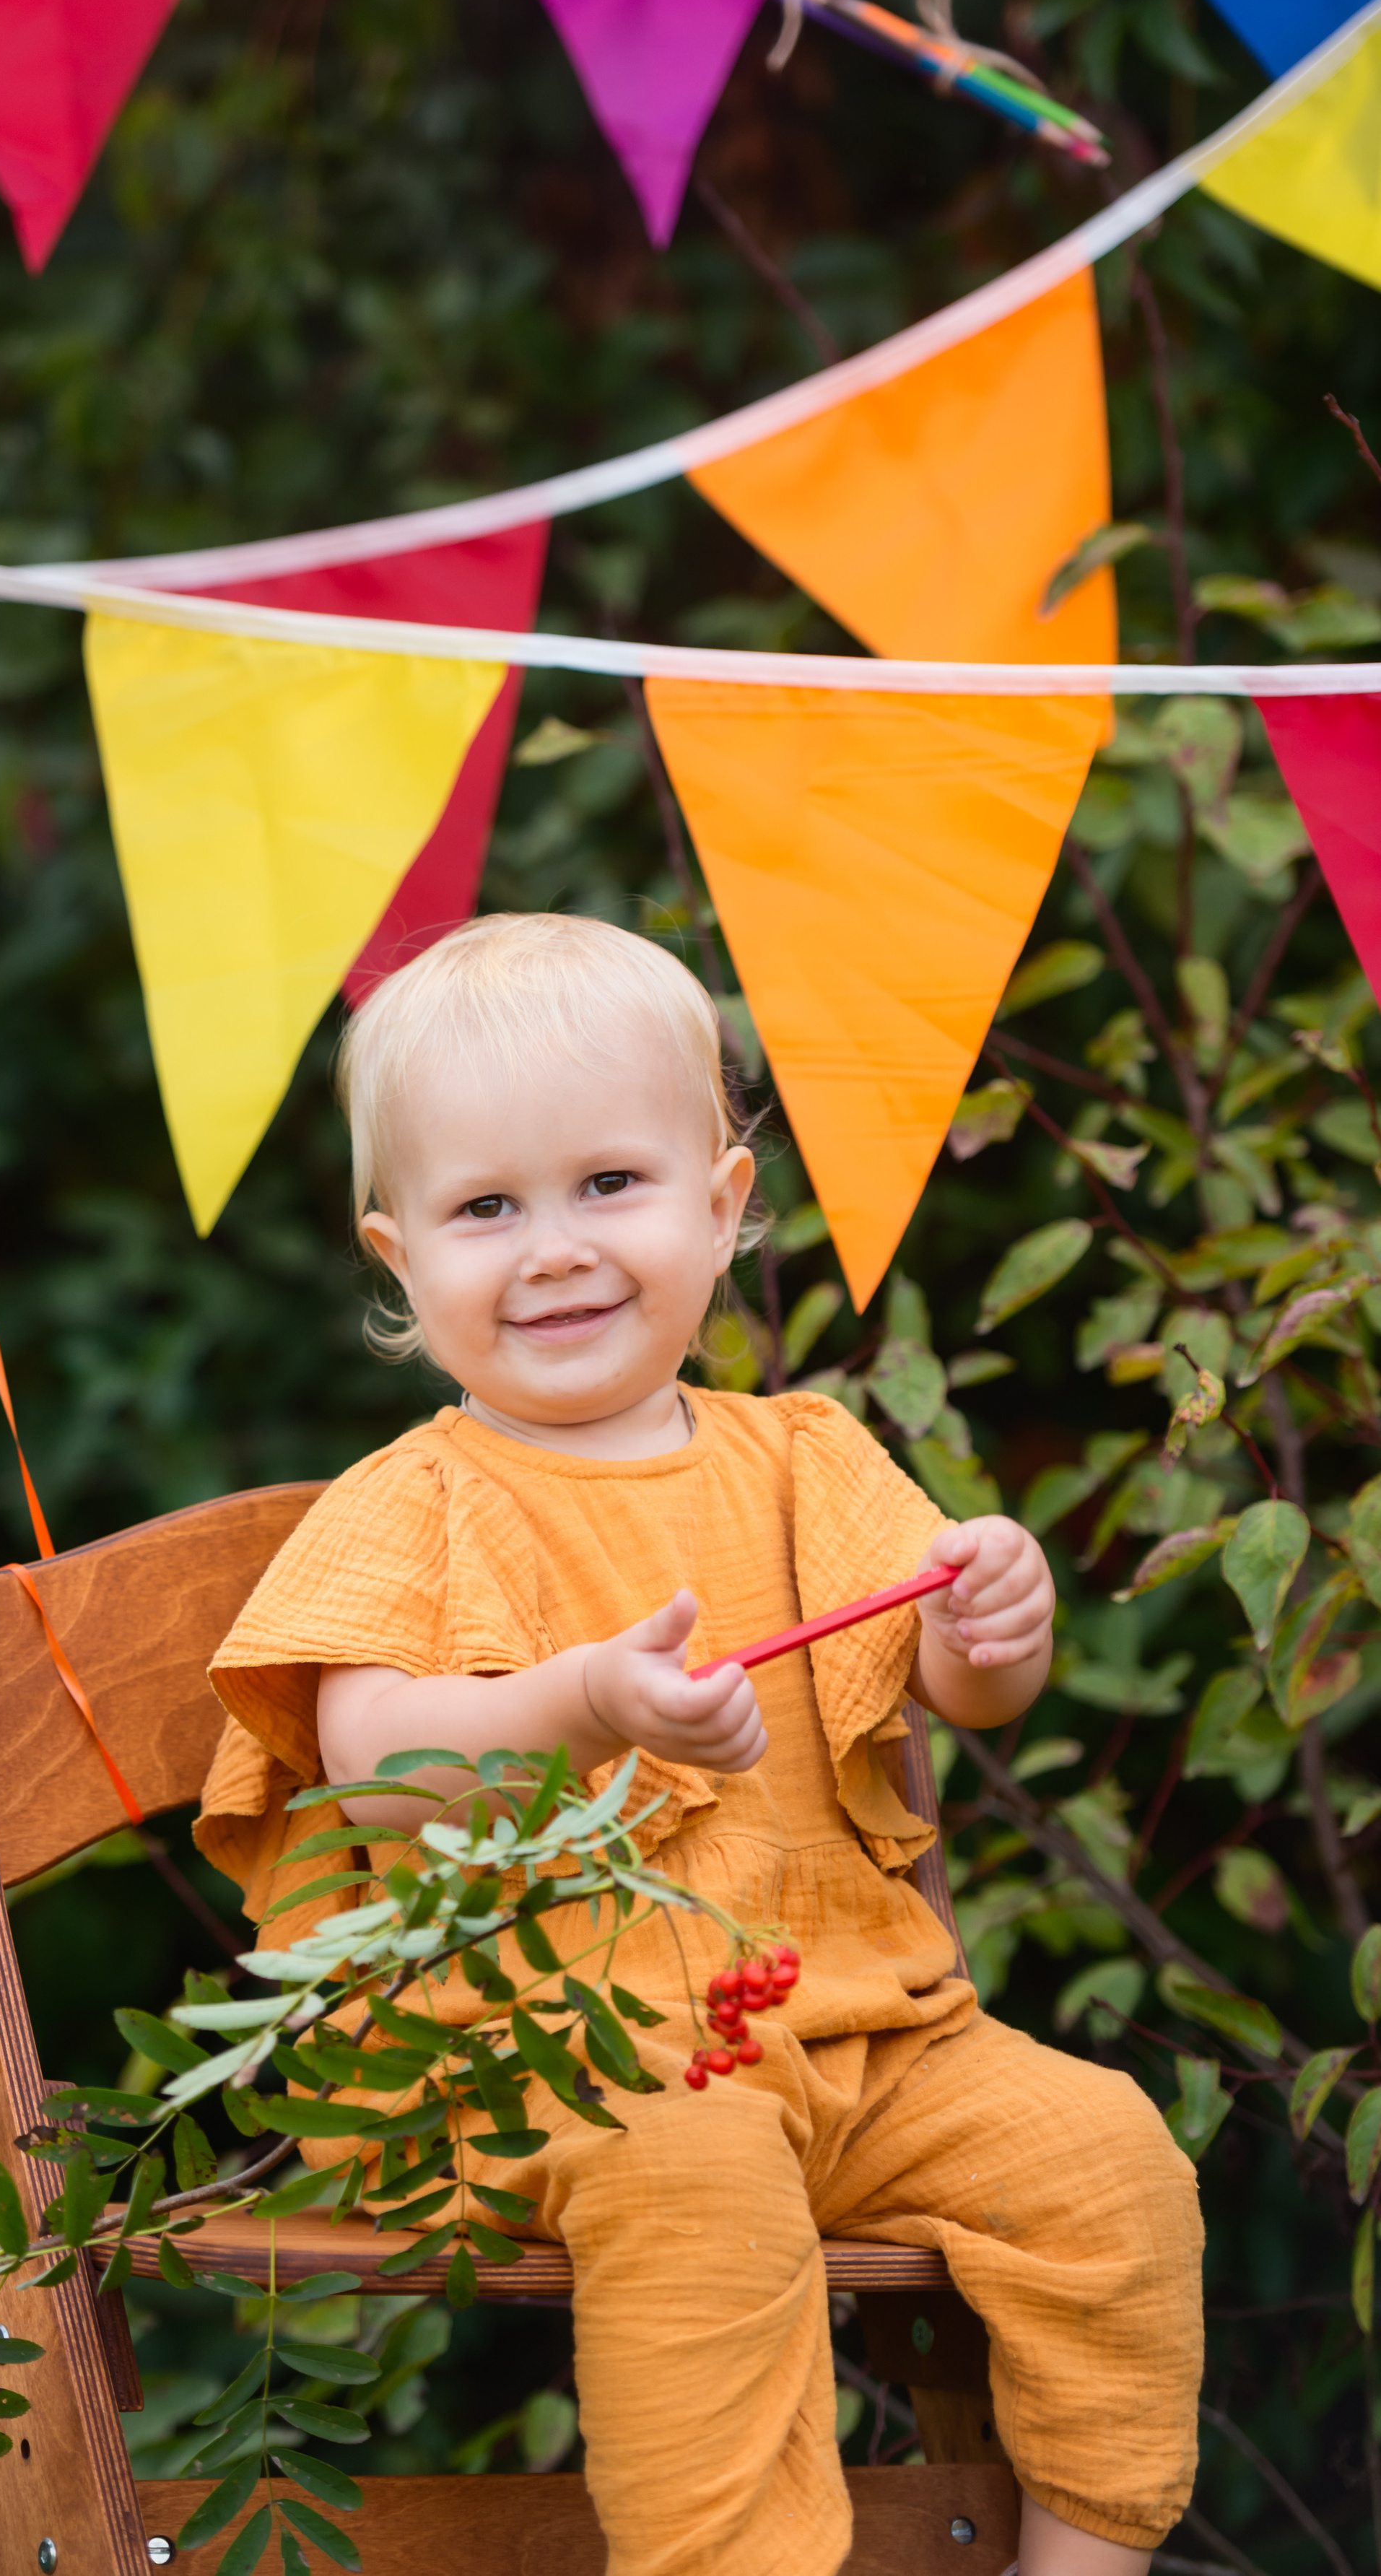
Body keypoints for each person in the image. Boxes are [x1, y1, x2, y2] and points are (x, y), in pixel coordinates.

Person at [194, 911, 1203, 2576]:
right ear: (398, 1260)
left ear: (721, 1211)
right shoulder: (419, 1505)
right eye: (482, 1208)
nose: (553, 1250)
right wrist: (575, 1704)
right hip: (550, 2063)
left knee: (1103, 2160)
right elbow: (376, 1767)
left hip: (862, 2034)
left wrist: (988, 1631)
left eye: (608, 1185)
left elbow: (947, 1695)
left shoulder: (806, 1459)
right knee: (703, 2183)